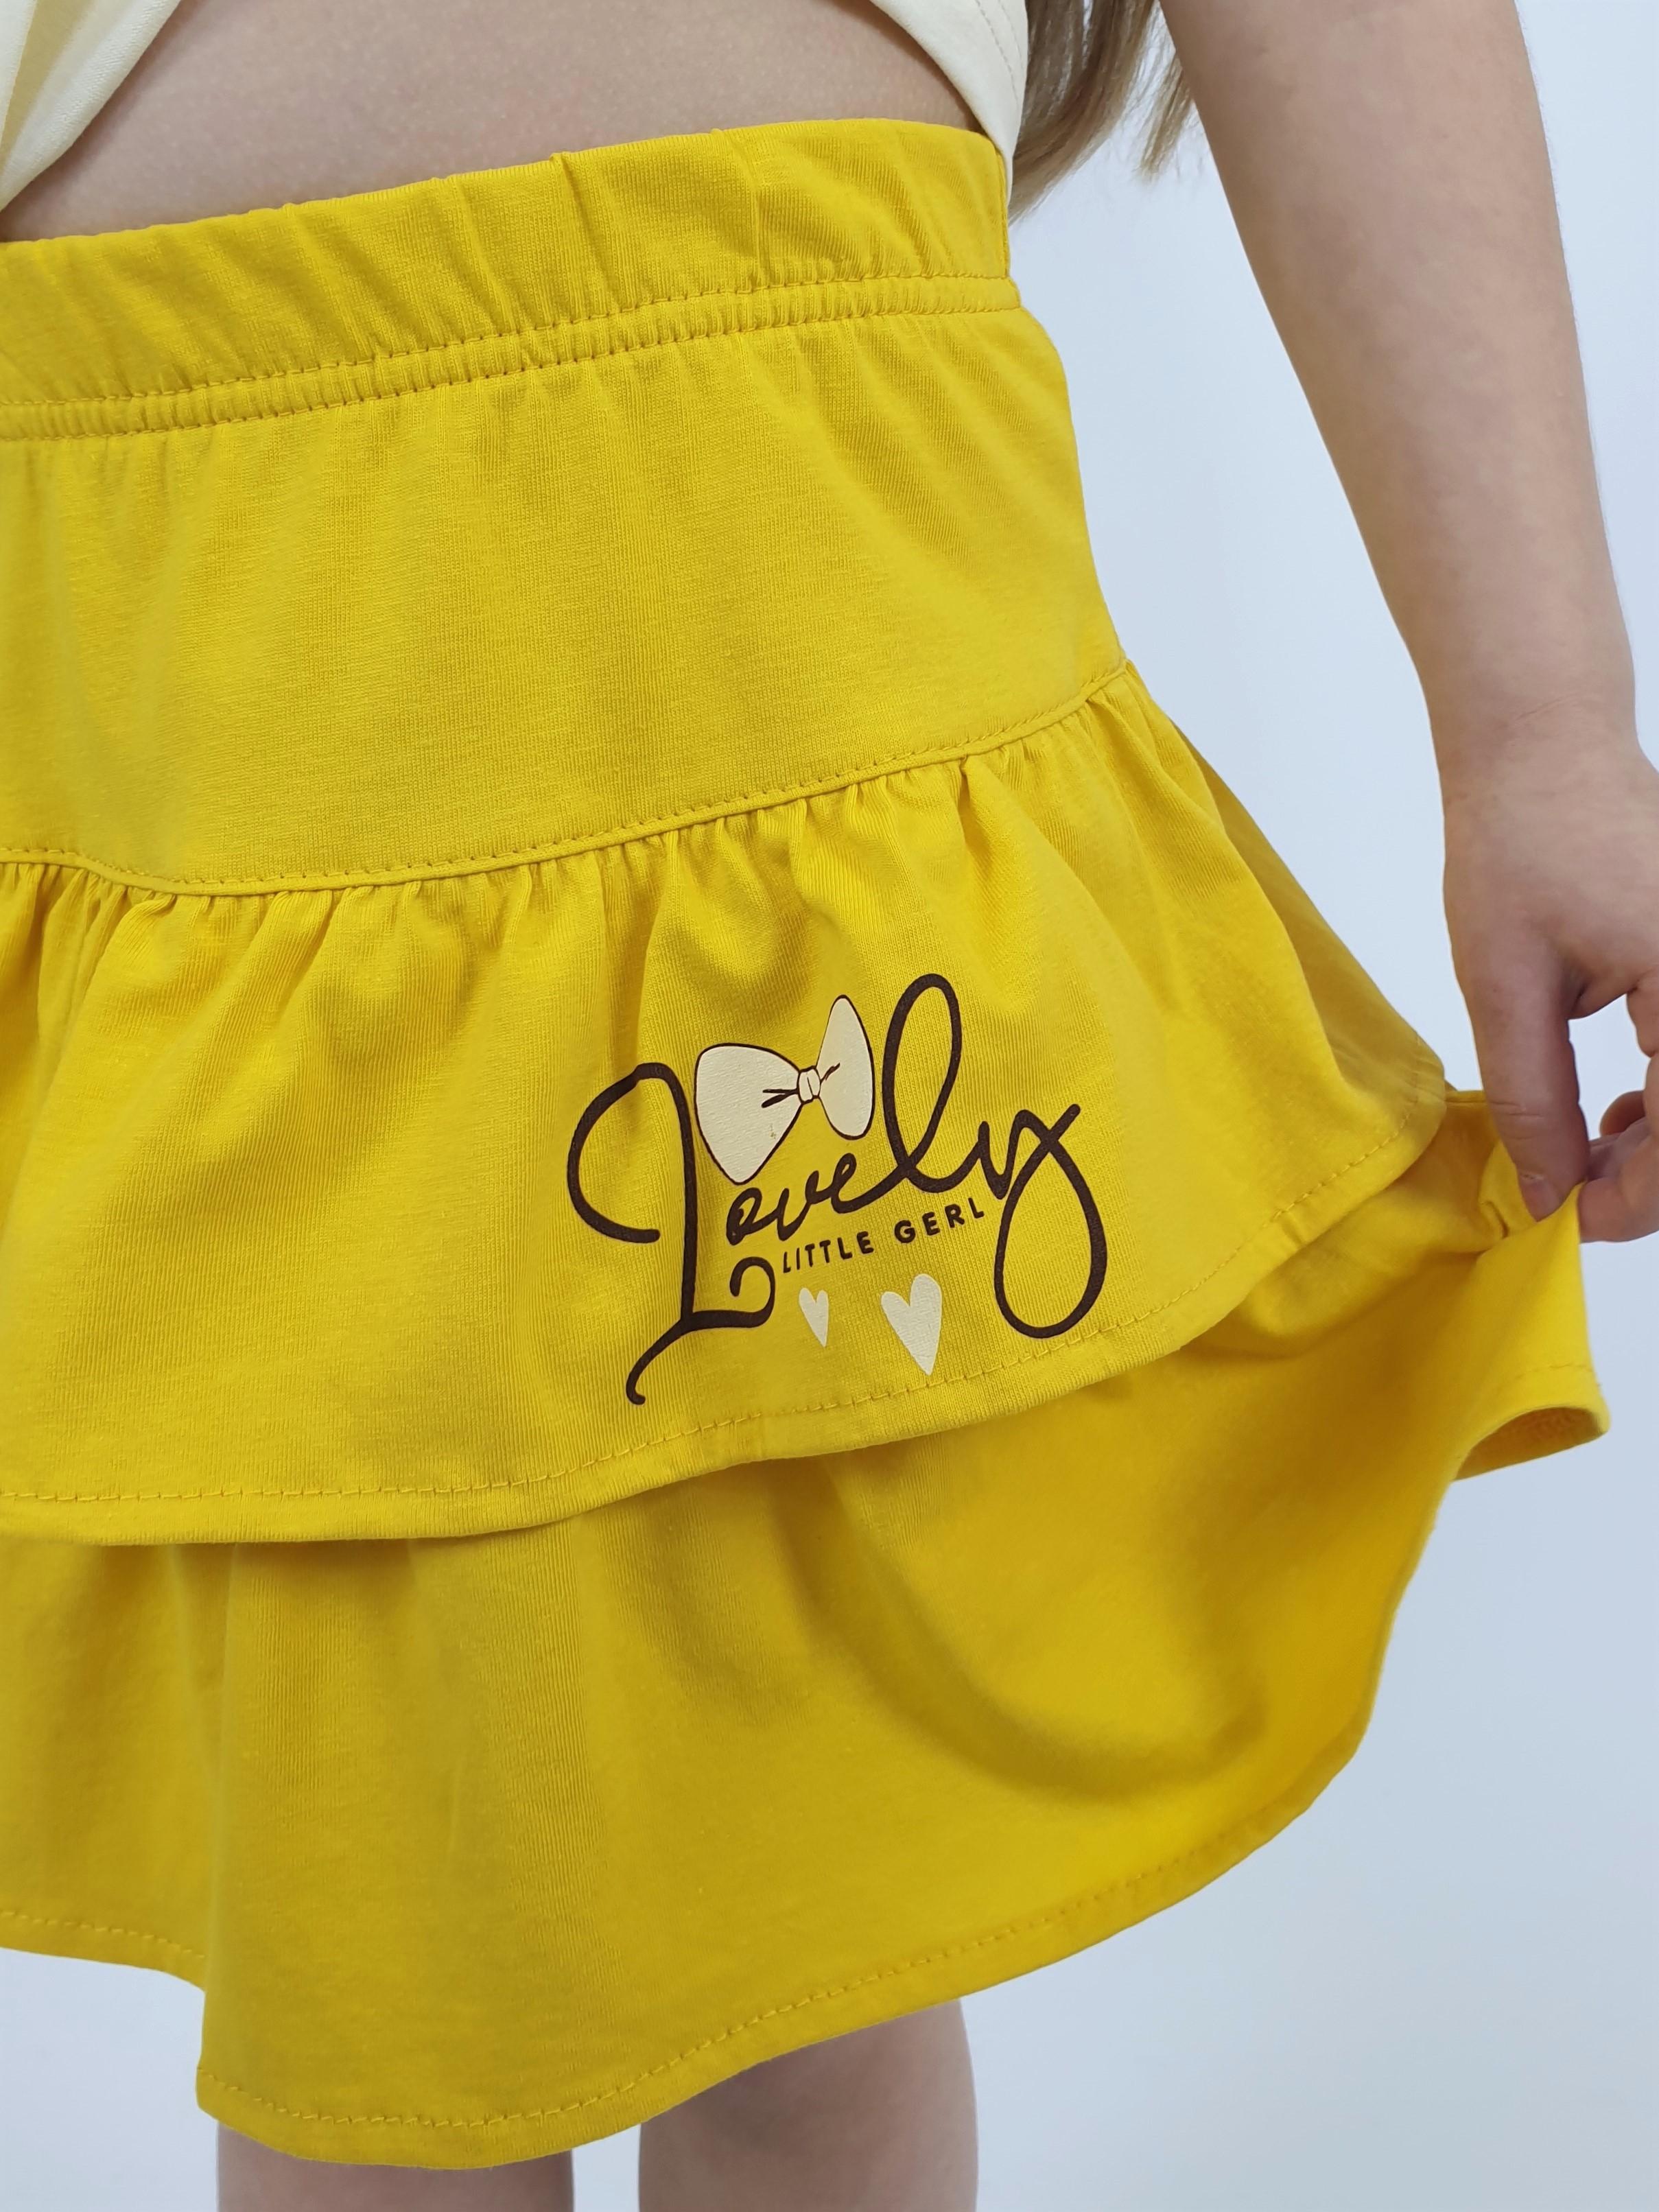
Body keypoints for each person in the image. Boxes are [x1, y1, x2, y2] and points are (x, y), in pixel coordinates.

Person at [0, 1, 1651, 2207]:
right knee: (379, 2003)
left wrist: (1542, 726)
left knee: (807, 1961)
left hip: (800, 568)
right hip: (194, 668)